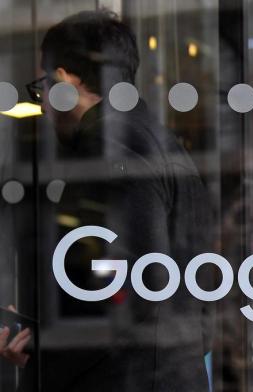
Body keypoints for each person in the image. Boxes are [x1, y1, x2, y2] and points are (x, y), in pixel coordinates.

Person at [1, 10, 214, 392]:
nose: (44, 106)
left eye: (42, 88)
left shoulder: (110, 147)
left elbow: (133, 286)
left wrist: (45, 347)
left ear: (64, 81)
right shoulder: (162, 144)